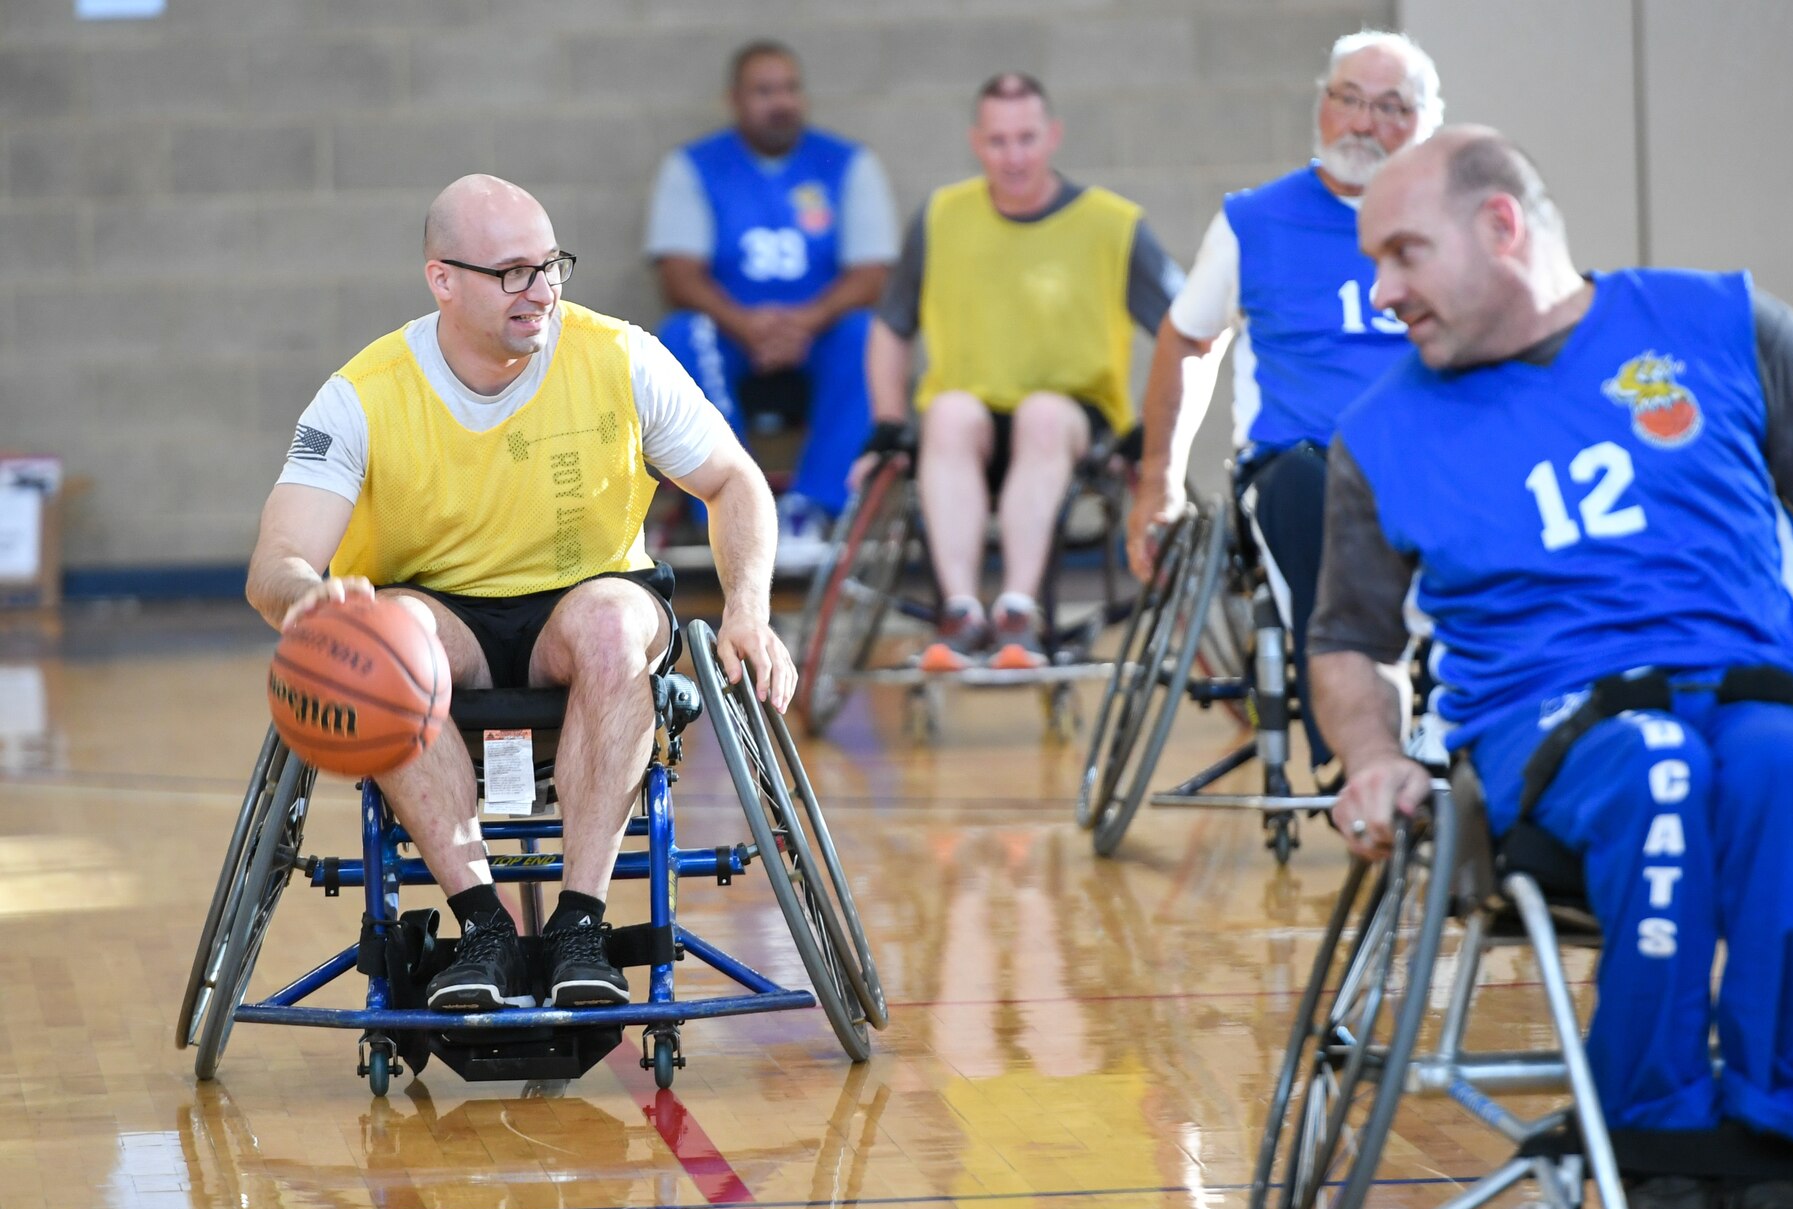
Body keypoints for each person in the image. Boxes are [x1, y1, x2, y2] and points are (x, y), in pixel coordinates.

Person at [1307, 128, 1793, 1209]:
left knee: (1787, 765)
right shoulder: (1380, 432)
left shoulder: (1725, 324)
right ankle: (1652, 1136)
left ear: (1499, 227)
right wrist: (1371, 754)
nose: (1381, 292)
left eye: (1403, 255)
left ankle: (1778, 1133)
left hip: (1759, 690)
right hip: (1552, 727)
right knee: (1656, 767)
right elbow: (1345, 637)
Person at [247, 174, 795, 1014]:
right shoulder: (362, 393)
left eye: (551, 266)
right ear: (442, 279)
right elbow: (276, 564)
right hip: (441, 620)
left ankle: (580, 923)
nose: (539, 291)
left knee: (615, 626)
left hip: (585, 601)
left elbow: (734, 481)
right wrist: (311, 601)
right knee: (386, 637)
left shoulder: (620, 355)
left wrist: (748, 608)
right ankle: (484, 929)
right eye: (511, 272)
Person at [1128, 28, 1442, 777]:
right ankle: (1355, 749)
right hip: (1296, 465)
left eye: (1391, 107)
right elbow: (1187, 344)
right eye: (1351, 101)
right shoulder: (1254, 222)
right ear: (1322, 106)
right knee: (1314, 488)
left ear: (1427, 122)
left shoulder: (1450, 219)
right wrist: (1159, 481)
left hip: (1427, 457)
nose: (1364, 123)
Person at [867, 72, 1185, 670]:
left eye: (1026, 138)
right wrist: (887, 420)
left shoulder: (1113, 224)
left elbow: (1184, 329)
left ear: (1053, 136)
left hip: (1071, 417)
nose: (1013, 156)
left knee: (1042, 414)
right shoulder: (940, 216)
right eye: (998, 141)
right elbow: (890, 327)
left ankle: (1018, 608)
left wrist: (1156, 427)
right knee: (950, 412)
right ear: (976, 142)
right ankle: (961, 612)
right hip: (969, 421)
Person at [648, 40, 898, 571]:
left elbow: (873, 275)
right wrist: (746, 325)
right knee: (681, 332)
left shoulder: (847, 164)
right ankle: (723, 497)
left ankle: (813, 505)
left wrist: (804, 322)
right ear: (735, 100)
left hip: (820, 330)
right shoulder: (695, 167)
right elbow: (678, 275)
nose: (780, 102)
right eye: (764, 91)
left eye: (789, 88)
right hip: (731, 332)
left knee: (869, 335)